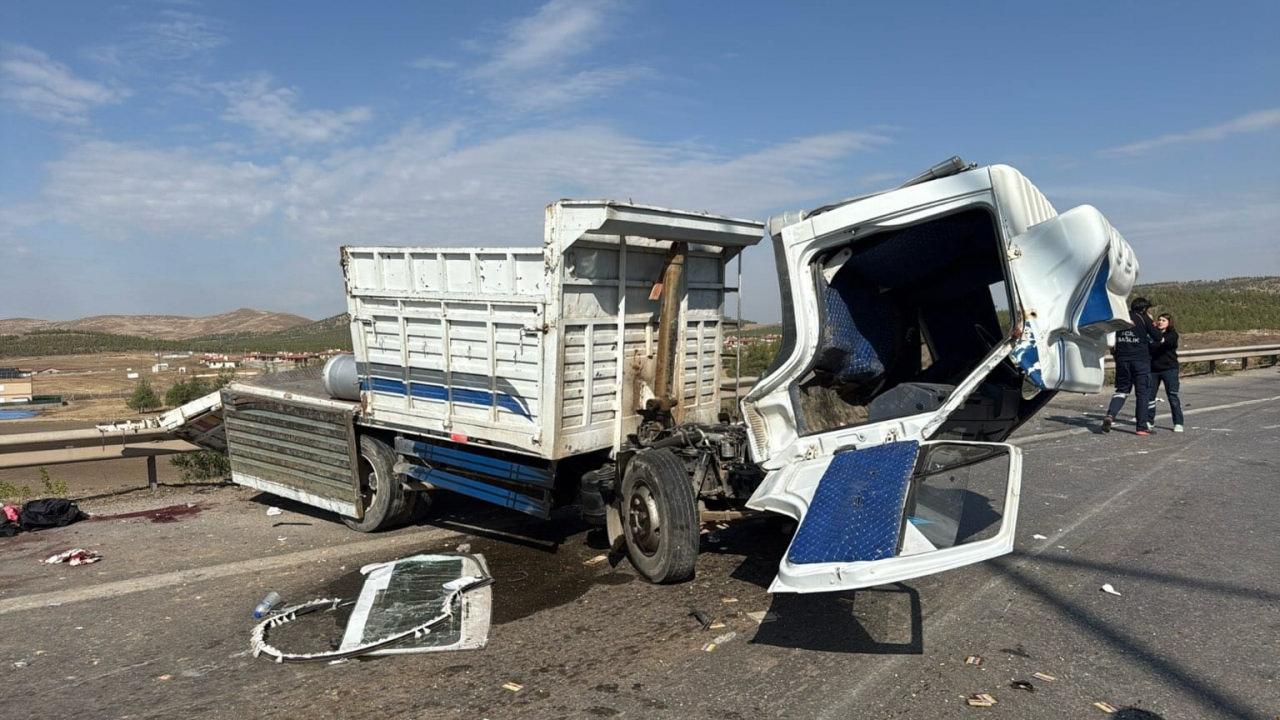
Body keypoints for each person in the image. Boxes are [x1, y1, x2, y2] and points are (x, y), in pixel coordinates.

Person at [1102, 297, 1160, 435]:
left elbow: (1111, 338)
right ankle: (1141, 427)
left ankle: (1110, 415)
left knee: (1122, 390)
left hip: (1122, 360)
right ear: (1144, 309)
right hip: (1140, 361)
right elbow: (1157, 337)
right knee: (1142, 394)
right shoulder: (1143, 318)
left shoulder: (1121, 318)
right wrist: (1152, 324)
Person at [1147, 312, 1184, 432]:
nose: (1160, 322)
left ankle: (1178, 422)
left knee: (1172, 396)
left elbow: (1163, 341)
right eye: (1159, 320)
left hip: (1169, 369)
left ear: (1169, 323)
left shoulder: (1172, 335)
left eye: (1163, 320)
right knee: (1149, 397)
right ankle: (1149, 421)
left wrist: (1152, 330)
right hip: (1153, 370)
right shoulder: (1152, 334)